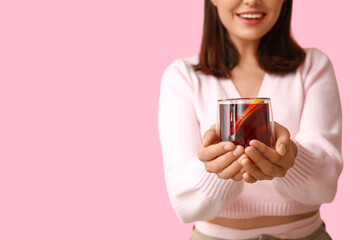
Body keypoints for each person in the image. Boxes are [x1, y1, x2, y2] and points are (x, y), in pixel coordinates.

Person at [158, 0, 343, 239]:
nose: (252, 0)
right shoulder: (182, 77)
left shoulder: (312, 66)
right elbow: (185, 206)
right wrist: (215, 170)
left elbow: (326, 186)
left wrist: (290, 159)